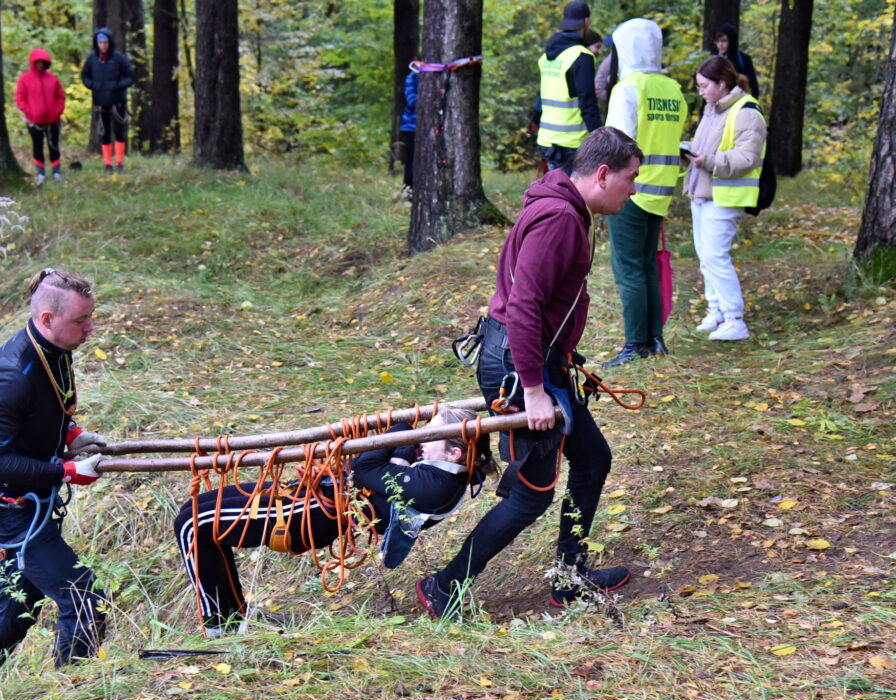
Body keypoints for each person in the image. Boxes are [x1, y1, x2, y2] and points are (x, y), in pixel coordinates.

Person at [416, 127, 642, 619]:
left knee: (593, 459)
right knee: (531, 494)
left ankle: (569, 576)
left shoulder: (566, 209)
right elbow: (524, 306)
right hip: (521, 370)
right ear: (603, 174)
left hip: (542, 362)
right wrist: (536, 390)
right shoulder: (559, 218)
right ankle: (443, 586)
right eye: (631, 179)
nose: (634, 189)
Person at [173, 408, 495, 636]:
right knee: (195, 512)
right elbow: (377, 462)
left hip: (307, 516)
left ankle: (221, 626)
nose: (422, 437)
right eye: (423, 429)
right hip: (307, 497)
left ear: (454, 453)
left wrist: (401, 431)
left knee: (193, 524)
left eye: (429, 432)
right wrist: (399, 454)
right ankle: (233, 617)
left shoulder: (434, 486)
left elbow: (365, 467)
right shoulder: (434, 469)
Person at [0, 269, 108, 687]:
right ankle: (74, 691)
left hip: (23, 498)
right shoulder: (9, 377)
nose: (90, 328)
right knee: (82, 597)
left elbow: (42, 411)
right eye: (81, 321)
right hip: (2, 507)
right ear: (45, 318)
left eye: (90, 318)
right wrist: (65, 471)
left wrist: (70, 435)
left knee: (19, 601)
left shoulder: (55, 350)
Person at [603, 19, 687, 366]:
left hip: (630, 191)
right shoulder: (672, 88)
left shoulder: (629, 88)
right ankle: (655, 339)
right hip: (661, 190)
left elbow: (615, 144)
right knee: (648, 266)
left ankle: (635, 344)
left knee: (629, 269)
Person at [683, 56, 766, 342]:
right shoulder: (711, 109)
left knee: (717, 257)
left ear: (722, 83)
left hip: (724, 195)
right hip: (702, 192)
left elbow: (747, 157)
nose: (701, 91)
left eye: (704, 86)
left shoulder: (746, 111)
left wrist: (707, 161)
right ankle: (716, 310)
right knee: (706, 257)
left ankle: (734, 318)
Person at [536, 1, 603, 174]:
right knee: (573, 197)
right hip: (571, 145)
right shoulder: (582, 56)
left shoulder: (547, 57)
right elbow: (588, 103)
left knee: (557, 193)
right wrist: (601, 139)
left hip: (547, 140)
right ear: (586, 22)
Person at [81, 28, 134, 172]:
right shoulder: (92, 59)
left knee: (119, 130)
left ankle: (120, 162)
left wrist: (118, 86)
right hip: (100, 101)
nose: (103, 46)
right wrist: (92, 85)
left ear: (109, 43)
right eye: (100, 43)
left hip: (118, 101)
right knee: (104, 132)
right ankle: (107, 163)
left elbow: (130, 76)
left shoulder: (118, 58)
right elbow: (84, 75)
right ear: (96, 44)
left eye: (105, 42)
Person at [15, 48, 66, 186]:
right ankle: (40, 173)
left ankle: (56, 172)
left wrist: (58, 111)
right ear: (33, 63)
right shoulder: (25, 79)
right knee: (37, 147)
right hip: (35, 122)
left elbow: (60, 96)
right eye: (38, 62)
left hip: (53, 121)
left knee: (54, 146)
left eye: (43, 62)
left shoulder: (52, 78)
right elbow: (20, 99)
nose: (40, 64)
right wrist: (30, 113)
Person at [713, 23, 759, 98]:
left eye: (724, 41)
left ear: (731, 41)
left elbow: (753, 87)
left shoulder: (743, 59)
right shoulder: (714, 60)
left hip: (740, 100)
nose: (720, 44)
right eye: (718, 41)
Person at [399, 65, 420, 197]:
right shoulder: (412, 77)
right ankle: (408, 190)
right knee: (411, 160)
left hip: (432, 128)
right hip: (412, 126)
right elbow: (412, 101)